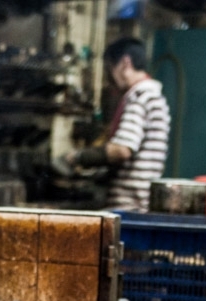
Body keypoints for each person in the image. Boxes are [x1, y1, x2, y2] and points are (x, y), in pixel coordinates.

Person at [64, 36, 171, 212]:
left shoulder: (140, 97)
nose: (109, 78)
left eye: (110, 69)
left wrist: (78, 157)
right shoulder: (155, 96)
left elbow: (122, 149)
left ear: (125, 63)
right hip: (139, 205)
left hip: (129, 208)